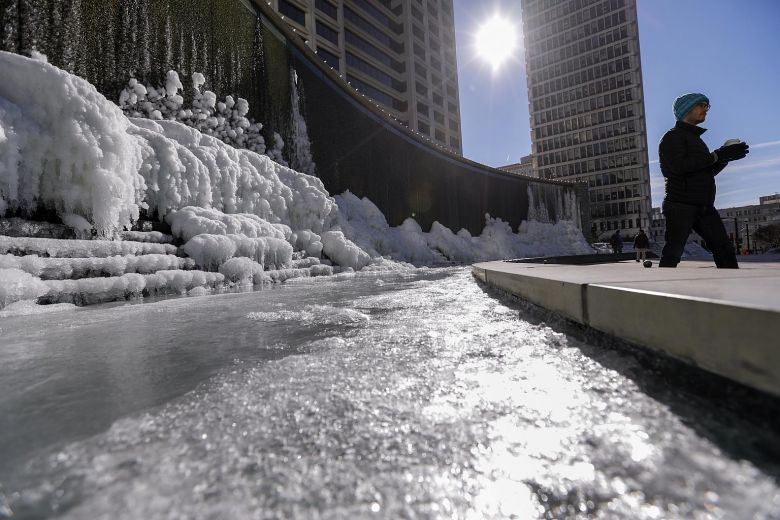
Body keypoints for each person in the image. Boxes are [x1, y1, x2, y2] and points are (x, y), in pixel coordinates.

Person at [658, 93, 749, 268]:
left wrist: (724, 157)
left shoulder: (696, 140)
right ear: (686, 109)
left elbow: (705, 172)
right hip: (680, 204)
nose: (706, 110)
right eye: (702, 105)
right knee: (673, 253)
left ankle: (728, 291)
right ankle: (658, 293)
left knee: (724, 250)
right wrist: (717, 155)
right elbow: (679, 167)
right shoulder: (672, 137)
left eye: (707, 106)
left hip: (704, 205)